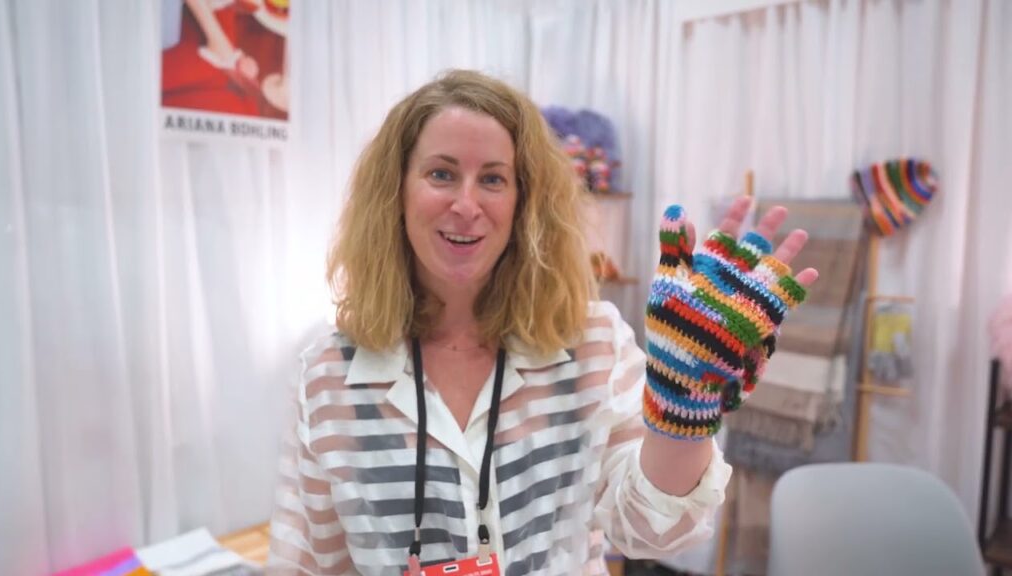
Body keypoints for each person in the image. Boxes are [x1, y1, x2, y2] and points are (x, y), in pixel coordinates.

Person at [266, 69, 818, 575]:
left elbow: (654, 530)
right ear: (396, 192)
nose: (466, 204)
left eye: (493, 179)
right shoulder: (329, 374)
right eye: (441, 173)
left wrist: (684, 405)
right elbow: (305, 563)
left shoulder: (592, 342)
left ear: (523, 202)